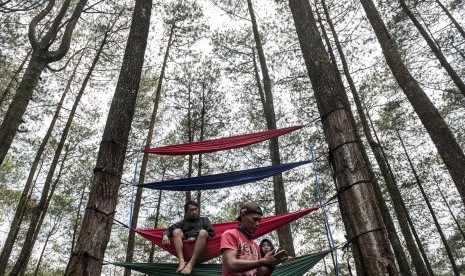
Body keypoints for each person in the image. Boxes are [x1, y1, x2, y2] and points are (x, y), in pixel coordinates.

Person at [221, 202, 279, 276]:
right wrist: (262, 262)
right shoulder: (230, 235)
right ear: (243, 215)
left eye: (259, 221)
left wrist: (272, 265)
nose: (257, 224)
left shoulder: (255, 245)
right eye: (254, 219)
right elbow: (231, 265)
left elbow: (260, 274)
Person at [162, 200, 214, 274]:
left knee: (203, 232)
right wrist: (165, 235)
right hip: (185, 249)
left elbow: (211, 233)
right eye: (191, 210)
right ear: (186, 212)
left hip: (201, 250)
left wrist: (196, 238)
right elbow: (169, 229)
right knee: (176, 231)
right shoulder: (183, 222)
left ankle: (190, 264)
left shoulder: (204, 220)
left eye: (195, 209)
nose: (194, 212)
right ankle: (181, 261)